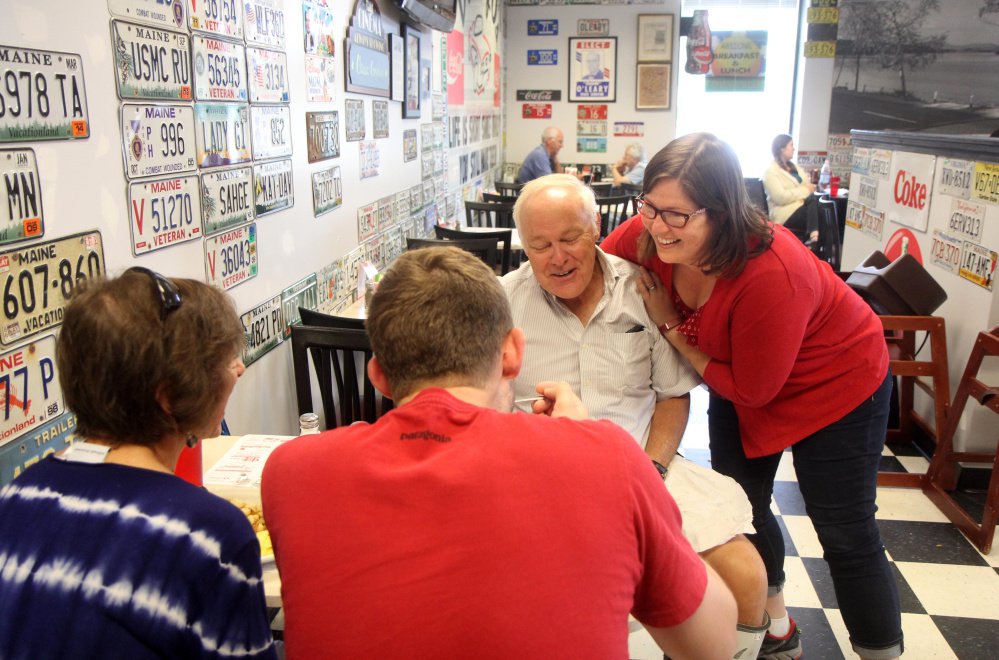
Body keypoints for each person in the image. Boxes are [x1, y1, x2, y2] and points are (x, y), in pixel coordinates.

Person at [261, 246, 738, 659]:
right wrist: (588, 441)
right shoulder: (605, 457)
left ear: (379, 376)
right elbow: (713, 644)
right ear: (512, 354)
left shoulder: (291, 472)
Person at [601, 133, 902, 660]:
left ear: (720, 213)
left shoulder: (771, 270)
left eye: (677, 215)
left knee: (844, 528)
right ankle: (776, 624)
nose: (655, 225)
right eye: (649, 207)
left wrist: (673, 327)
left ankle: (880, 652)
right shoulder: (653, 231)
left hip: (837, 381)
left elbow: (751, 389)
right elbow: (599, 266)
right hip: (737, 375)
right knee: (743, 507)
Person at [503, 174, 770, 659]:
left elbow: (672, 395)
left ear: (596, 226)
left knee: (747, 575)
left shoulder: (642, 289)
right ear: (523, 244)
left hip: (644, 465)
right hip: (538, 480)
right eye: (540, 245)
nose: (558, 259)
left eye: (570, 239)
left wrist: (652, 471)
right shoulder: (502, 305)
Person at [0, 268, 276, 660]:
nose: (238, 369)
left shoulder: (16, 498)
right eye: (222, 360)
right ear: (168, 397)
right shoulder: (210, 536)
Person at [761, 134, 819, 244]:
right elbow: (780, 197)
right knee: (813, 202)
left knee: (820, 208)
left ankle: (815, 241)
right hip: (785, 213)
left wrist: (806, 190)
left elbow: (807, 184)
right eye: (791, 145)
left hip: (802, 207)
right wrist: (805, 191)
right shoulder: (771, 172)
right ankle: (814, 240)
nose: (794, 148)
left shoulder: (794, 168)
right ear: (782, 148)